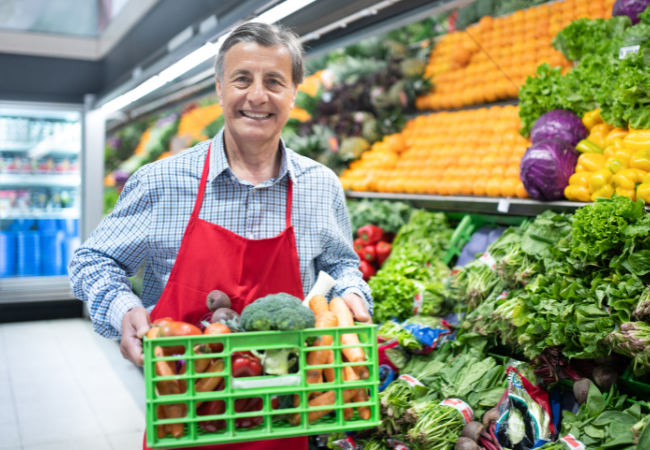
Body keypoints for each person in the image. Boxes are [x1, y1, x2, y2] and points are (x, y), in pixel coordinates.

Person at [69, 21, 373, 450]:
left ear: (293, 93)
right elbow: (92, 260)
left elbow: (340, 264)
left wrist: (352, 292)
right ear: (219, 88)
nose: (257, 96)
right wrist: (124, 310)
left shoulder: (320, 185)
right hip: (185, 417)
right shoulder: (164, 181)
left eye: (274, 81)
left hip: (285, 419)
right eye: (242, 79)